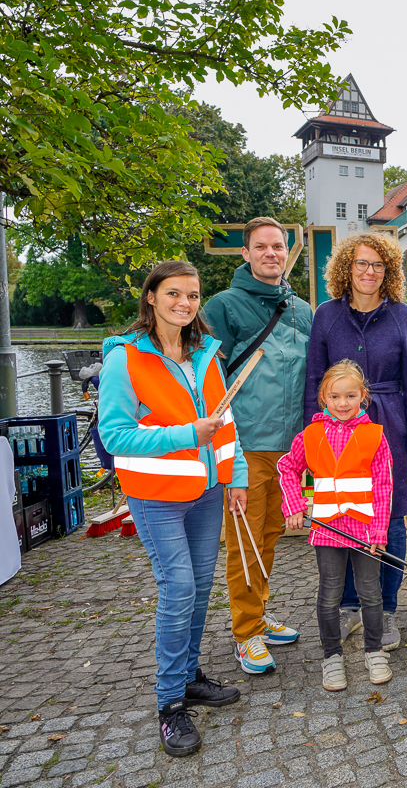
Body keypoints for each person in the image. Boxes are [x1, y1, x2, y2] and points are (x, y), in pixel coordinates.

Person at [99, 261, 248, 757]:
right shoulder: (126, 357)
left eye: (192, 295)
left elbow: (223, 424)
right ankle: (169, 705)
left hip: (206, 494)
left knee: (200, 589)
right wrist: (188, 434)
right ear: (151, 298)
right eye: (173, 294)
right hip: (155, 496)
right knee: (178, 587)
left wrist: (235, 479)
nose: (184, 303)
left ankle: (188, 677)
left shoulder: (205, 352)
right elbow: (115, 434)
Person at [305, 233, 407, 650]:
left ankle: (387, 609)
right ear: (346, 268)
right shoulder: (326, 316)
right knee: (344, 514)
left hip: (390, 427)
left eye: (378, 265)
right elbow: (313, 383)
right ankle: (350, 607)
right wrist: (312, 442)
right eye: (361, 263)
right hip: (338, 434)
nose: (369, 272)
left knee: (390, 519)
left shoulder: (402, 316)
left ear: (388, 271)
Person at [202, 216, 312, 674]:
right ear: (246, 253)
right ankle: (245, 633)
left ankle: (259, 615)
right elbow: (208, 381)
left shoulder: (302, 310)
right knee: (244, 543)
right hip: (245, 447)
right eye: (262, 247)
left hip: (290, 450)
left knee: (269, 536)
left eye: (279, 247)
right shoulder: (224, 306)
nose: (272, 253)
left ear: (287, 253)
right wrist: (225, 452)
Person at [279, 360, 394, 690]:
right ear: (323, 398)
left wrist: (380, 530)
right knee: (329, 595)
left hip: (366, 530)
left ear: (363, 397)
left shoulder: (374, 435)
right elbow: (286, 468)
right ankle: (332, 656)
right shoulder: (310, 434)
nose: (342, 404)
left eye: (350, 396)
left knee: (371, 593)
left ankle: (374, 651)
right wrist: (294, 505)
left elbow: (384, 485)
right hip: (328, 530)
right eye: (335, 397)